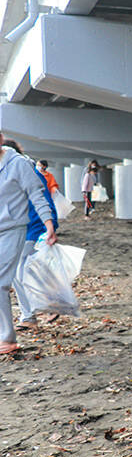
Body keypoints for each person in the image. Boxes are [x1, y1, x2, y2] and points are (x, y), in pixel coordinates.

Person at [0, 135, 56, 355]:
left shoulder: (18, 164)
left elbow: (37, 194)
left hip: (13, 229)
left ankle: (7, 338)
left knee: (2, 282)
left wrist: (49, 224)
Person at [12, 165, 59, 330]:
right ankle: (35, 311)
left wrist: (50, 226)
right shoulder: (17, 171)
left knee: (19, 271)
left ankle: (36, 312)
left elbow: (42, 200)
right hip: (25, 227)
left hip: (32, 227)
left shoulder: (25, 171)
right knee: (22, 271)